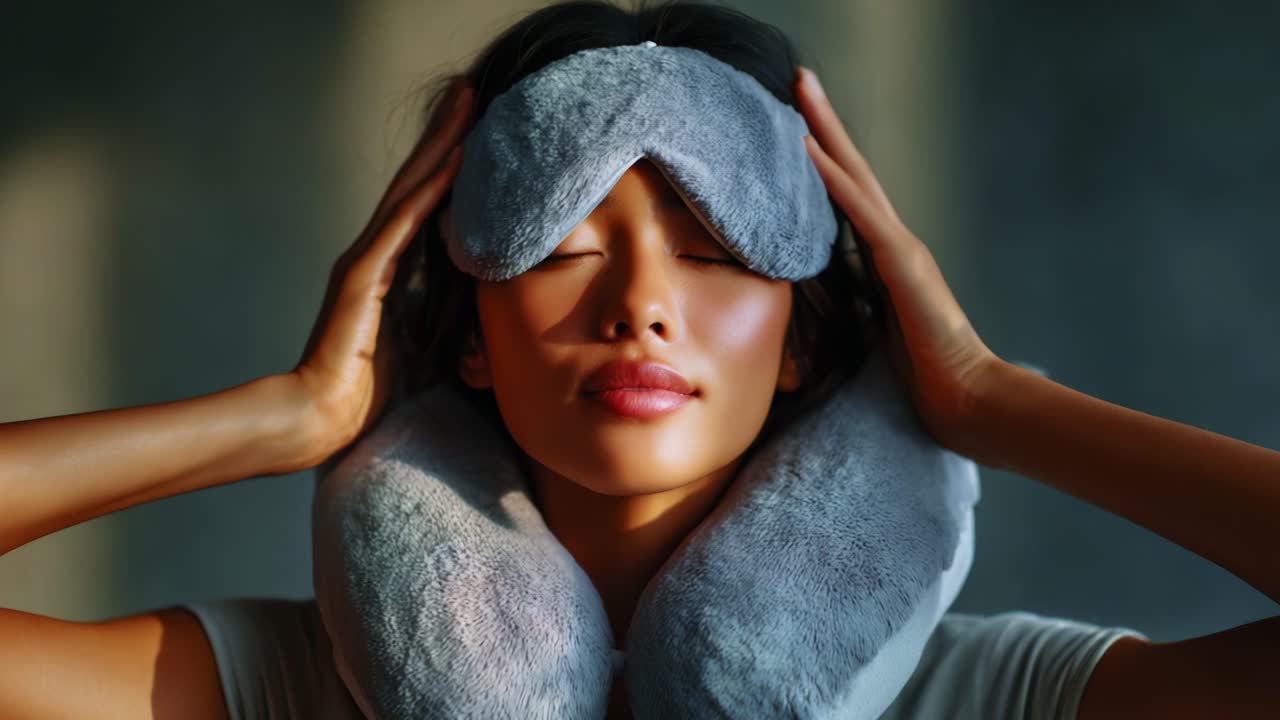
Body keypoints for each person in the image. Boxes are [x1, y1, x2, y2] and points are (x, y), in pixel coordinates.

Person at [2, 1, 1278, 718]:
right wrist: (284, 416)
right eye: (564, 247)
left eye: (715, 249)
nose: (641, 307)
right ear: (470, 334)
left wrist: (996, 402)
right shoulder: (296, 687)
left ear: (800, 340)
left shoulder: (980, 695)